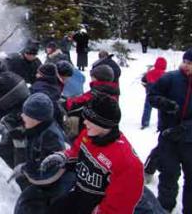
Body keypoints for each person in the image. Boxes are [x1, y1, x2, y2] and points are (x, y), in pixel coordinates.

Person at [41, 95, 144, 214]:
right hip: (79, 195)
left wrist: (102, 211)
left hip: (95, 207)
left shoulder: (127, 162)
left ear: (103, 123)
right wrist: (63, 156)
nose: (84, 122)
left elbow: (122, 202)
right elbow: (76, 151)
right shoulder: (89, 134)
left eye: (90, 120)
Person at [12, 93, 76, 214]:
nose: (22, 116)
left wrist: (24, 169)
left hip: (57, 188)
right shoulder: (39, 128)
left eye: (26, 114)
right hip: (49, 185)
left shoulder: (51, 137)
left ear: (37, 118)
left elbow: (51, 172)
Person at [148, 48, 192, 213]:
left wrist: (187, 127)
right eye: (185, 62)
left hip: (189, 140)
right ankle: (164, 209)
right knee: (168, 175)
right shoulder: (170, 78)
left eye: (191, 63)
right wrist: (165, 104)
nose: (186, 66)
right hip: (169, 136)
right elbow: (152, 96)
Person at [141, 57, 167, 129]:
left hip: (150, 93)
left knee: (147, 108)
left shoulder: (149, 73)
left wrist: (146, 86)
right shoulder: (165, 74)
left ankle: (145, 122)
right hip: (161, 94)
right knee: (161, 109)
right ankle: (161, 123)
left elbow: (143, 80)